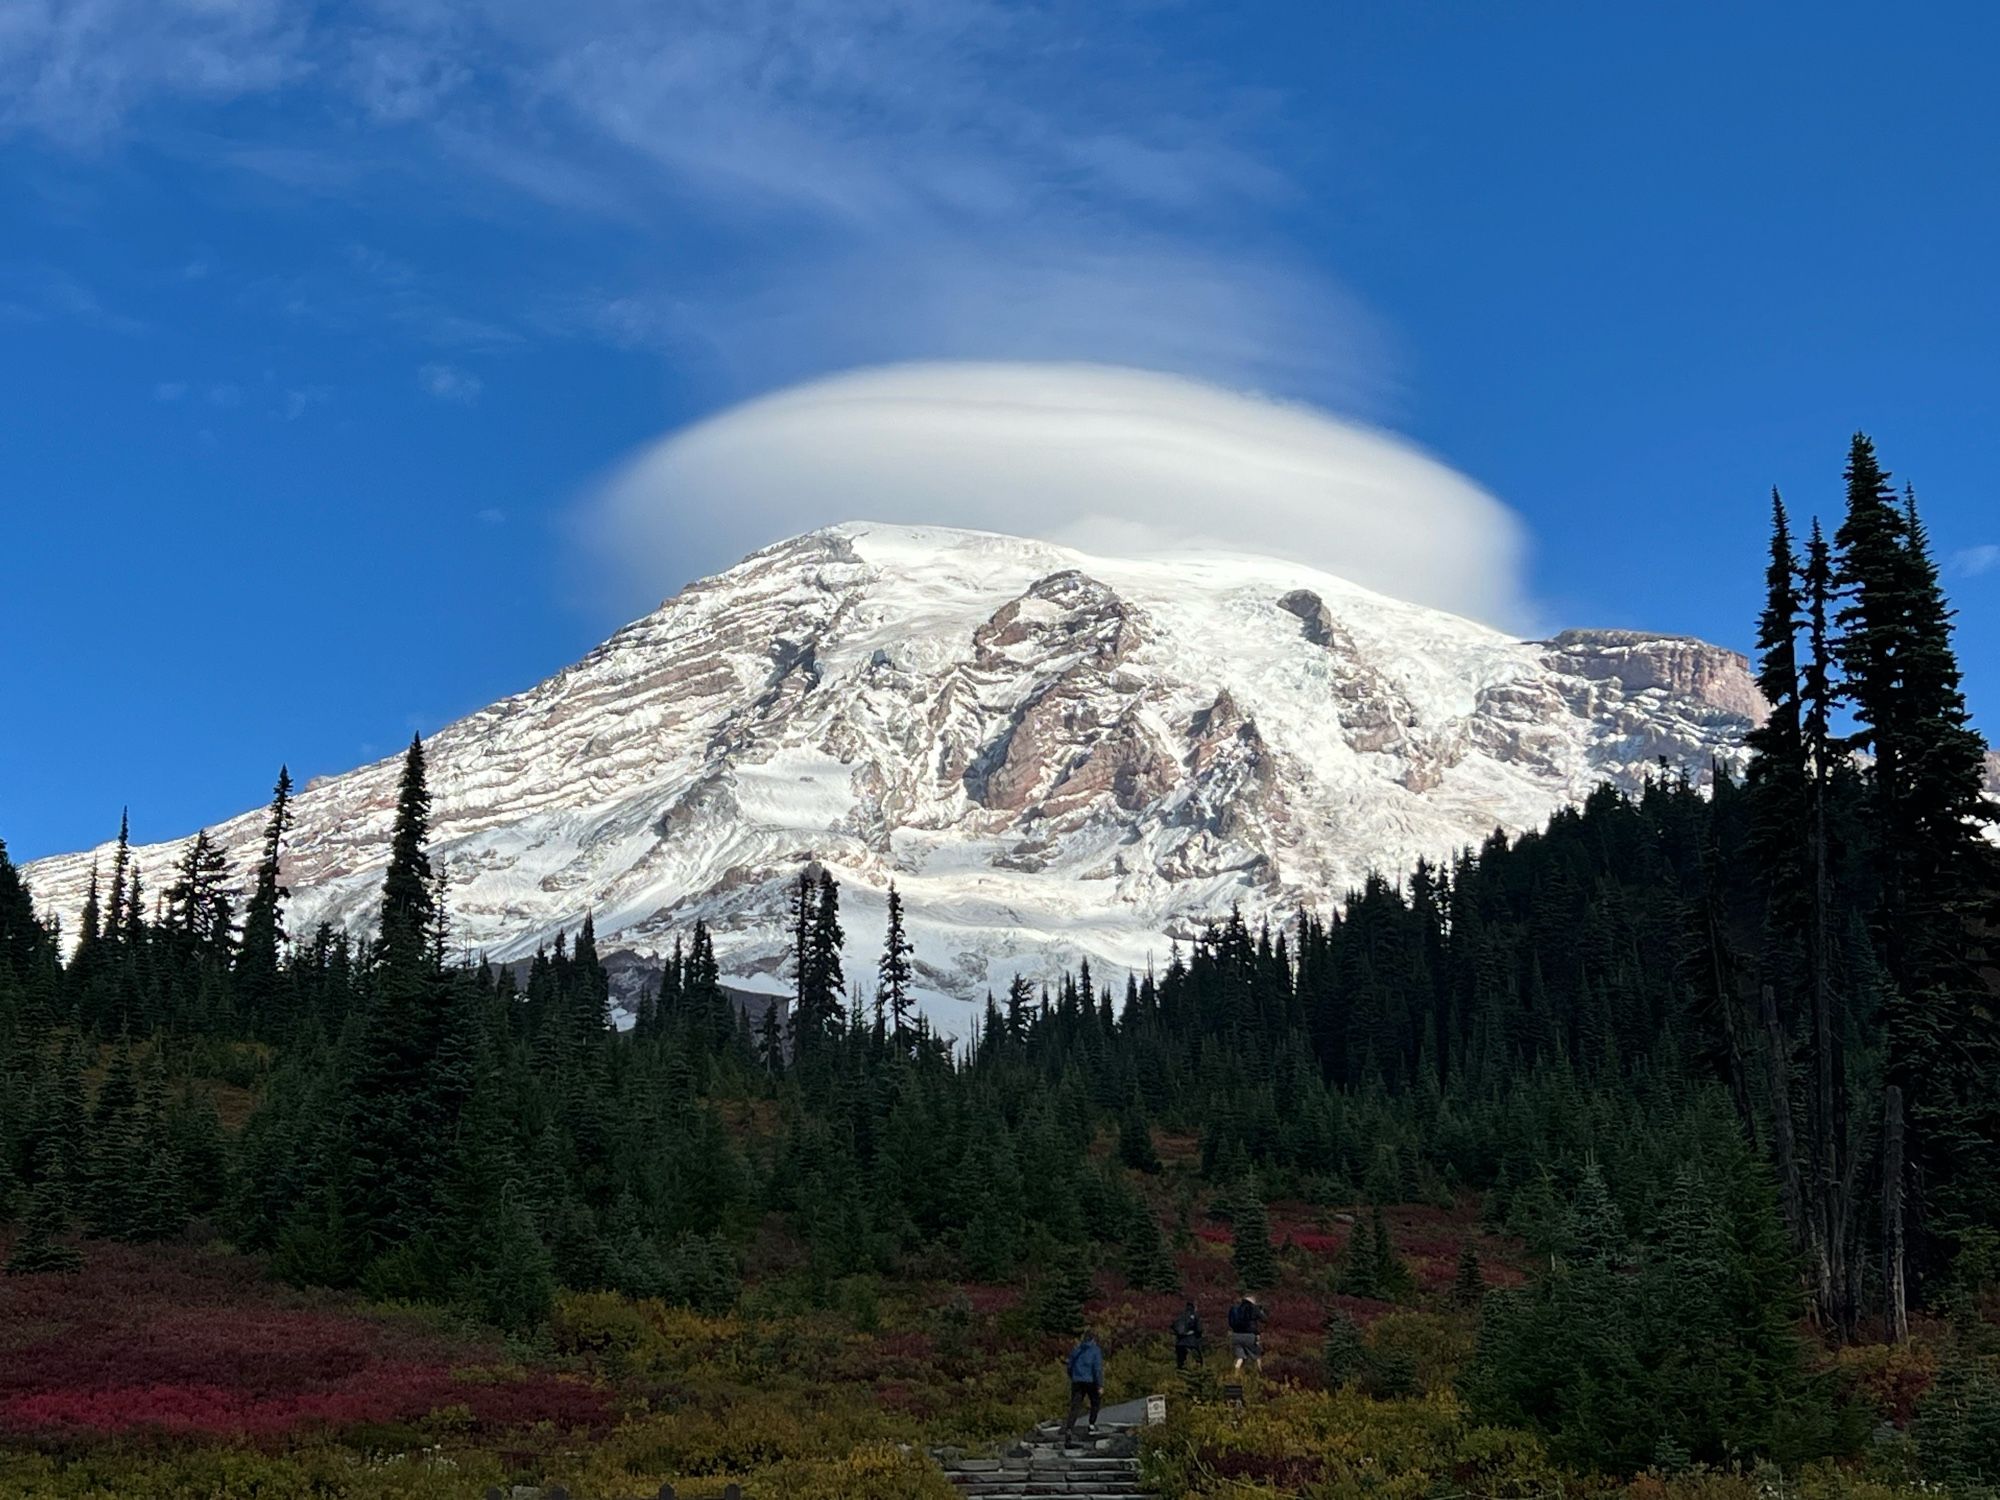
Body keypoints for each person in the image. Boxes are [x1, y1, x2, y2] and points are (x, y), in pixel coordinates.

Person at [1061, 1328, 1104, 1443]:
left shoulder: (1077, 1349)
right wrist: (1100, 1385)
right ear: (1094, 1339)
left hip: (1077, 1381)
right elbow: (1097, 1369)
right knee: (1095, 1402)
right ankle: (1091, 1425)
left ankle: (1069, 1428)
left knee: (1075, 1406)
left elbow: (1069, 1365)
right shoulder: (1095, 1351)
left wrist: (1072, 1376)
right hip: (1090, 1381)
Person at [1226, 1293, 1265, 1373]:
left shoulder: (1235, 1308)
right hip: (1249, 1336)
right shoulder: (1253, 1308)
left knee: (1240, 1357)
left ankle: (1235, 1374)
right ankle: (1260, 1373)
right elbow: (1264, 1319)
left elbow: (1230, 1322)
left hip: (1235, 1335)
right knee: (1256, 1355)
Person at [1171, 1298, 1204, 1370]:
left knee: (1181, 1362)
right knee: (1197, 1360)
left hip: (1179, 1342)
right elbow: (1199, 1329)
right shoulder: (1194, 1315)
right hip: (1191, 1342)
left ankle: (1179, 1376)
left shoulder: (1180, 1315)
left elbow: (1173, 1326)